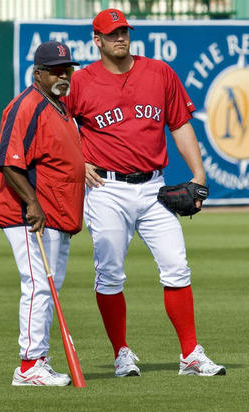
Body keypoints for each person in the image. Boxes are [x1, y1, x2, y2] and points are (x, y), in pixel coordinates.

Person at [63, 9, 226, 377]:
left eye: (124, 31)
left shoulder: (159, 73)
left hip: (154, 187)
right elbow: (58, 124)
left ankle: (190, 355)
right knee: (110, 274)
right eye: (112, 33)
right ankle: (121, 353)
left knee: (177, 267)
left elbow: (180, 124)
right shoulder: (83, 81)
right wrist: (77, 161)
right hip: (105, 189)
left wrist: (198, 175)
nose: (120, 38)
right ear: (97, 40)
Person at [0, 41, 85, 386]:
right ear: (38, 73)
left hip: (55, 215)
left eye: (67, 68)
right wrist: (32, 204)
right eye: (55, 70)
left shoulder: (58, 106)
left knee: (48, 288)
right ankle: (29, 366)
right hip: (27, 215)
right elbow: (8, 161)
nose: (63, 75)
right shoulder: (26, 106)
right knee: (37, 287)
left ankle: (39, 359)